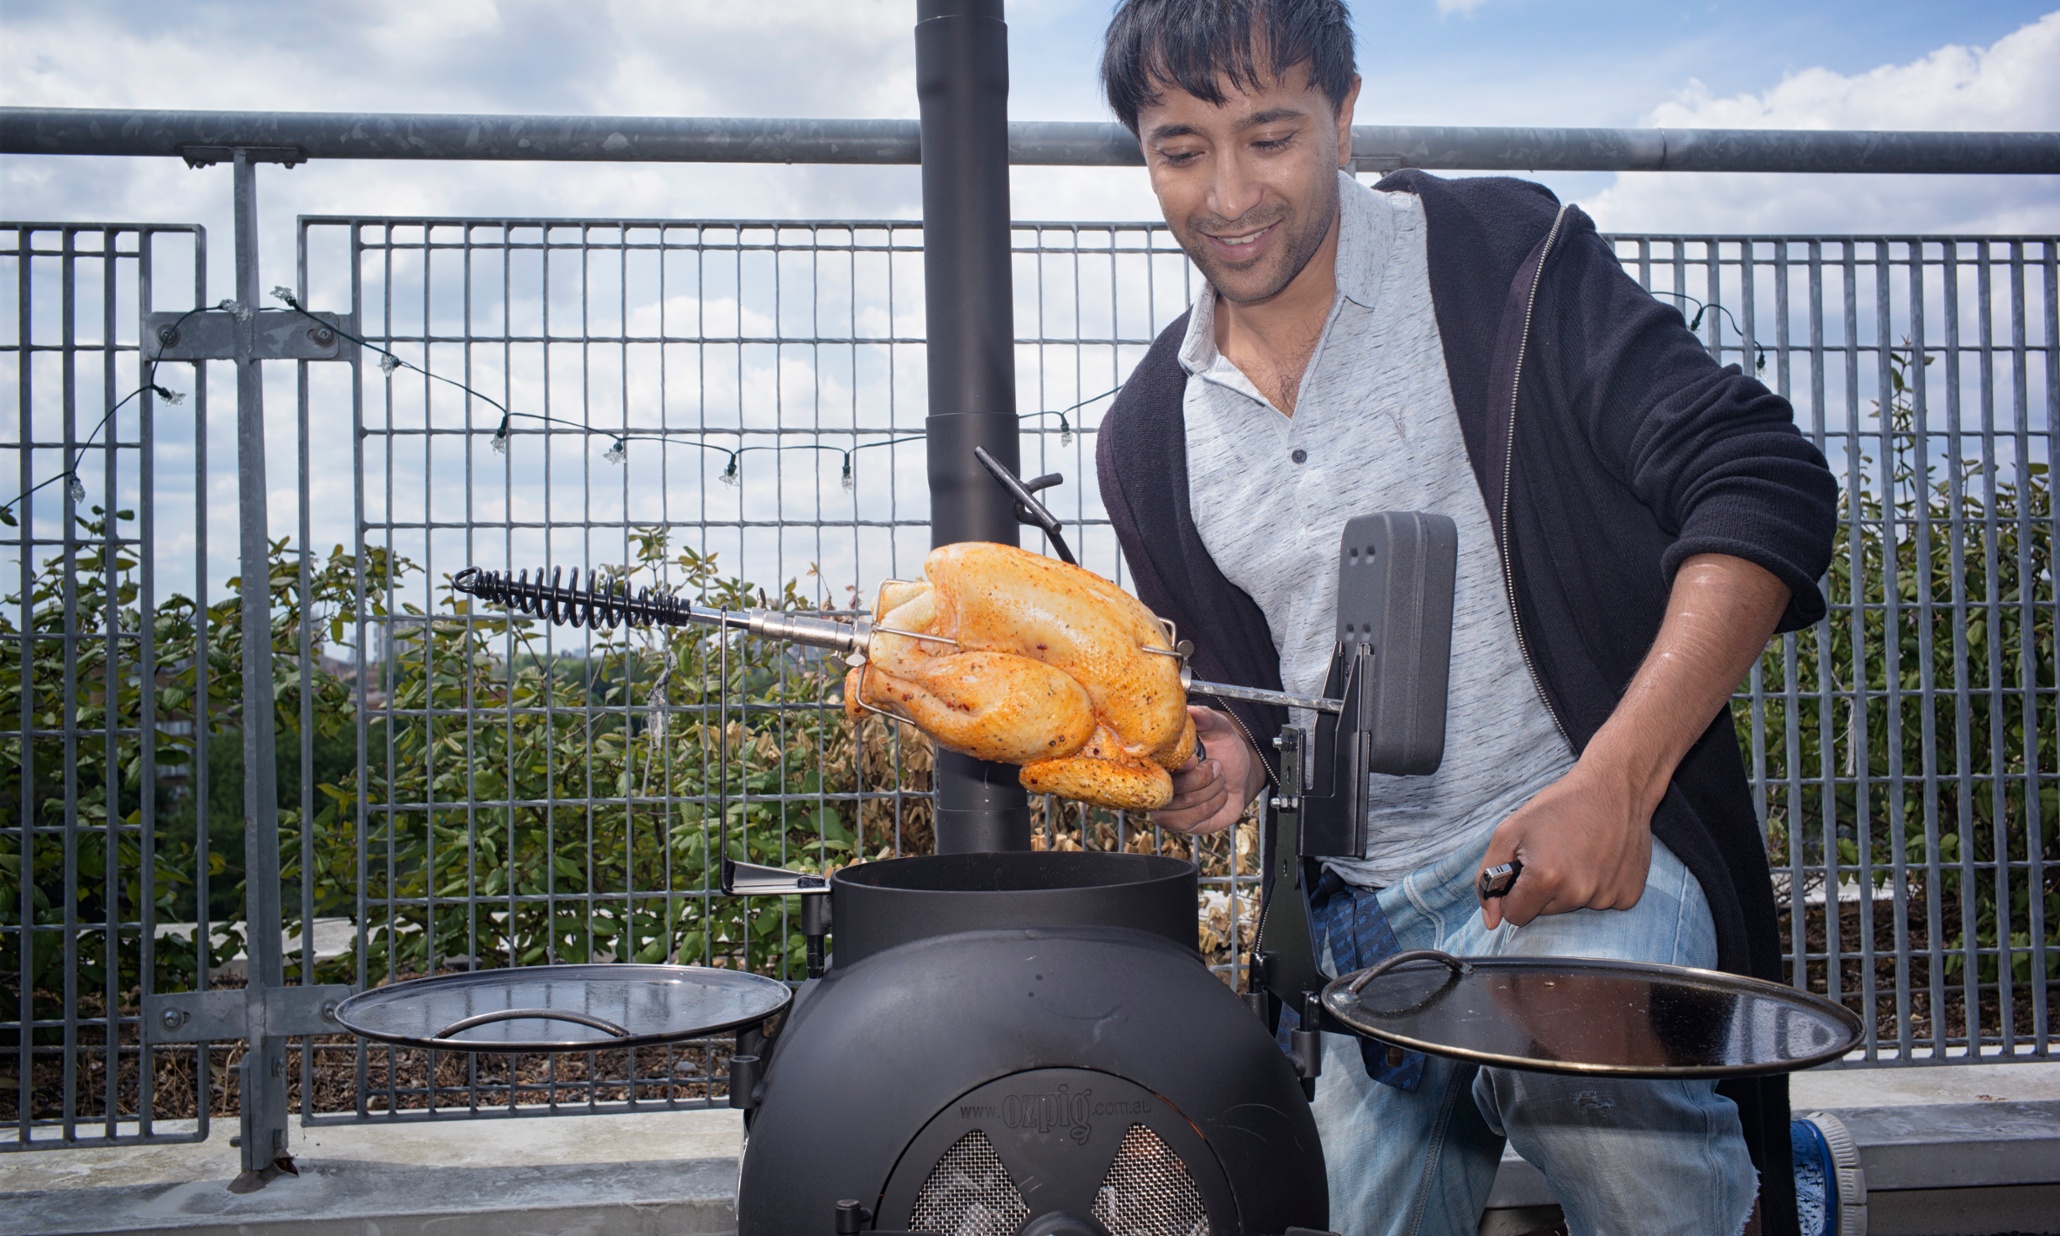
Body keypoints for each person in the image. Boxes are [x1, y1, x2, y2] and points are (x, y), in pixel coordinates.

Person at [1092, 3, 1839, 1235]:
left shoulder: (1502, 256)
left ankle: (1761, 1195)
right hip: (1365, 928)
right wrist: (1225, 753)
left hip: (1592, 856)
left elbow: (1759, 476)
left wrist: (1615, 780)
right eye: (1180, 150)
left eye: (1268, 136)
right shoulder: (1146, 440)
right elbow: (1255, 705)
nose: (1226, 193)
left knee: (1611, 1131)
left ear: (1341, 115)